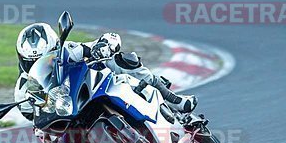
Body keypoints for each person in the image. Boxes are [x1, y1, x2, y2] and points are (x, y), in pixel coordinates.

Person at [14, 22, 197, 122]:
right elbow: (34, 120)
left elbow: (108, 39)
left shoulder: (69, 49)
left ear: (56, 48)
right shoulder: (23, 89)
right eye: (32, 61)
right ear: (22, 59)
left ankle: (173, 100)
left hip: (92, 88)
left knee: (122, 61)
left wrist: (103, 46)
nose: (42, 63)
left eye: (48, 56)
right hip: (67, 117)